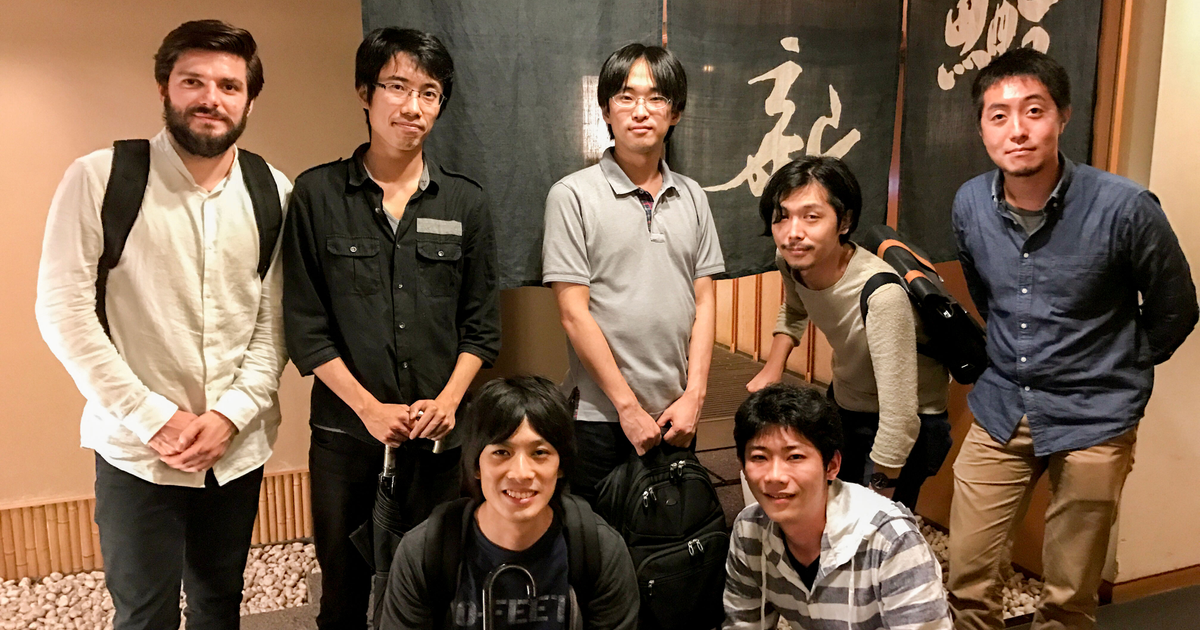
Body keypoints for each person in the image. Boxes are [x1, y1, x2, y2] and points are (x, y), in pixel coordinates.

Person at [34, 20, 290, 630]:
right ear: (164, 88)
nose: (211, 98)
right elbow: (63, 312)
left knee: (218, 605)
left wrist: (230, 415)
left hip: (234, 447)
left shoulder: (272, 190)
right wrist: (154, 417)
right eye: (192, 81)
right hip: (137, 449)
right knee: (144, 614)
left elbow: (274, 322)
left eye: (229, 86)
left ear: (250, 100)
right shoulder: (100, 178)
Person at [947, 48, 1198, 630]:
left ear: (1062, 115)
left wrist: (1118, 365)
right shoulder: (970, 203)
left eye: (1033, 110)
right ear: (982, 128)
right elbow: (986, 294)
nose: (1017, 130)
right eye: (999, 115)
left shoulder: (1126, 207)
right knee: (967, 577)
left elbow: (1176, 308)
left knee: (1068, 595)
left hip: (1095, 414)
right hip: (1003, 404)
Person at [282, 27, 500, 630]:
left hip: (440, 440)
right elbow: (305, 327)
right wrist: (369, 409)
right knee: (344, 592)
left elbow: (481, 326)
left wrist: (450, 401)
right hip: (345, 437)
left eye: (429, 93)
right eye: (397, 87)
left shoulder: (465, 203)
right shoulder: (317, 194)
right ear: (365, 92)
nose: (413, 106)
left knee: (438, 587)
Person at [542, 43, 725, 502]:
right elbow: (573, 314)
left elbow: (704, 302)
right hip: (600, 418)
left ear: (675, 112)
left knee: (673, 534)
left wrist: (695, 396)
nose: (640, 111)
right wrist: (627, 408)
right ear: (606, 110)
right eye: (626, 97)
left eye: (656, 98)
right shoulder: (572, 196)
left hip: (677, 414)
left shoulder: (694, 196)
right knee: (597, 538)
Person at [745, 156, 951, 510]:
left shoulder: (882, 295)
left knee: (874, 528)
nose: (793, 232)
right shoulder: (792, 262)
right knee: (830, 510)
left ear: (845, 222)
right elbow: (795, 309)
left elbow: (900, 418)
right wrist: (773, 368)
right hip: (847, 400)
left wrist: (879, 496)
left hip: (909, 422)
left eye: (811, 217)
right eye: (782, 216)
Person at [379, 376, 639, 629]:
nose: (521, 473)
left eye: (540, 453)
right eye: (501, 452)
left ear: (561, 465)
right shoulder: (425, 550)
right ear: (476, 465)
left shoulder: (600, 548)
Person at [724, 383, 951, 629]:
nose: (775, 476)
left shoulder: (891, 541)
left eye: (795, 457)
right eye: (759, 457)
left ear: (832, 465)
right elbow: (743, 625)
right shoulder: (750, 529)